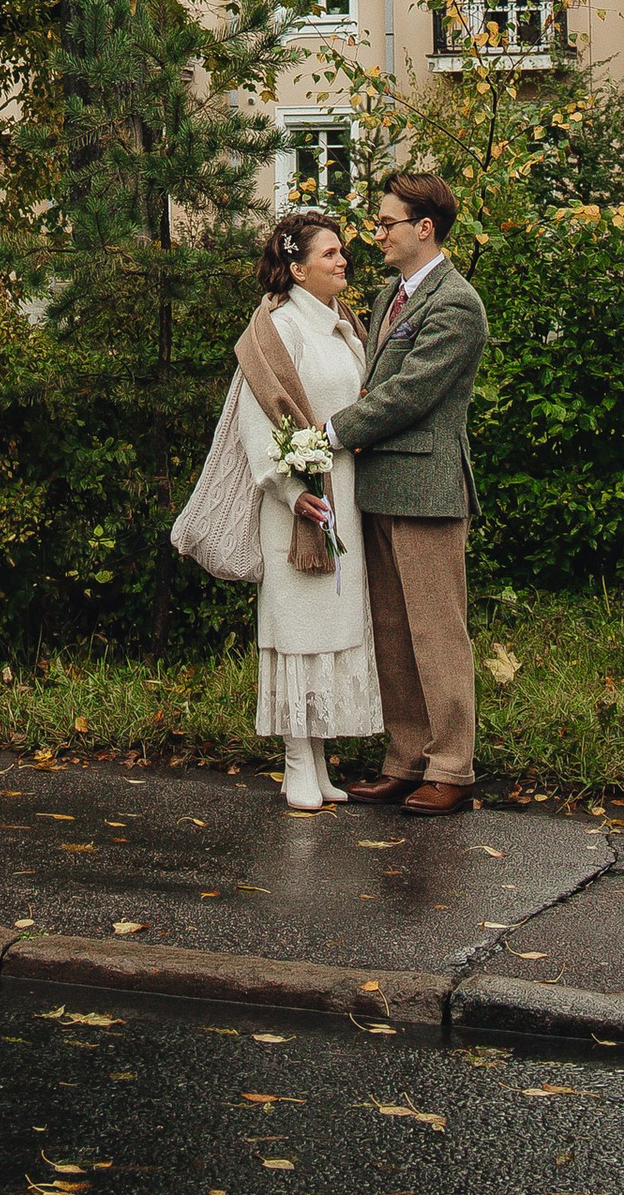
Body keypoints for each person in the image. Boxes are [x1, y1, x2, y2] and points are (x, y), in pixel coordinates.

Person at [324, 169, 488, 816]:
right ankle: (406, 757)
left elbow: (408, 393)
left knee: (436, 631)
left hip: (427, 486)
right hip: (380, 484)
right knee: (391, 629)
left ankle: (453, 766)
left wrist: (331, 431)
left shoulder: (456, 302)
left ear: (425, 227)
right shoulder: (391, 292)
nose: (378, 233)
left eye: (387, 222)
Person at [236, 207, 380, 811]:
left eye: (342, 251)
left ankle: (320, 764)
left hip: (342, 495)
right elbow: (255, 424)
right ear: (295, 269)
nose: (343, 260)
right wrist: (294, 494)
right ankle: (296, 761)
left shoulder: (344, 325)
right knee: (297, 630)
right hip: (296, 507)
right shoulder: (280, 330)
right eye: (329, 254)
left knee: (335, 629)